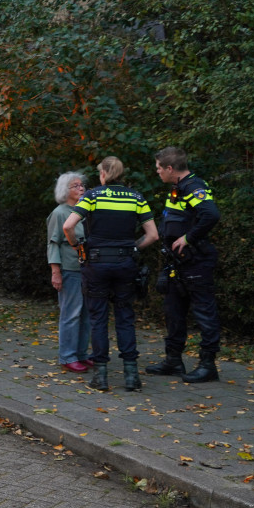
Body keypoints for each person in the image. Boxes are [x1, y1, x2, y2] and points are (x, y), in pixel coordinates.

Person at [63, 157, 158, 392]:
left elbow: (68, 226)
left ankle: (101, 376)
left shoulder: (93, 196)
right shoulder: (136, 197)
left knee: (98, 320)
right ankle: (131, 376)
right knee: (125, 317)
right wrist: (133, 247)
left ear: (104, 174)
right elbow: (153, 235)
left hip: (96, 264)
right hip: (125, 263)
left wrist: (78, 247)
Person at [148, 147, 223, 383]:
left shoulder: (194, 186)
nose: (157, 171)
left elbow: (211, 214)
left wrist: (188, 238)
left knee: (204, 313)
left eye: (159, 167)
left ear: (170, 168)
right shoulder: (178, 188)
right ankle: (173, 360)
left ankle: (208, 365)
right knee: (174, 312)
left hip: (195, 261)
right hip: (177, 263)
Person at [48, 172, 89, 372]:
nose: (81, 188)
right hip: (69, 270)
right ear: (66, 190)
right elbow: (53, 244)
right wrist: (56, 272)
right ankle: (67, 356)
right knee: (71, 313)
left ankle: (82, 353)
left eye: (82, 185)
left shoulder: (85, 211)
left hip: (87, 270)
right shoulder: (60, 213)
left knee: (86, 314)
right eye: (76, 186)